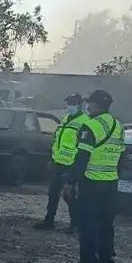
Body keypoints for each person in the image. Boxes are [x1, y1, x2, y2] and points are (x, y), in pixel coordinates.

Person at [63, 89, 125, 263]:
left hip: (92, 183)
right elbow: (122, 157)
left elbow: (82, 157)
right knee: (107, 225)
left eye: (90, 103)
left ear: (96, 105)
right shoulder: (118, 126)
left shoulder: (90, 126)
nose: (88, 106)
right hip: (111, 183)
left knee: (88, 226)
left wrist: (70, 182)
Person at [34, 94, 88, 232]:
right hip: (58, 162)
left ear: (80, 105)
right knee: (53, 193)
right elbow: (57, 141)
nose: (69, 105)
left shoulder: (84, 122)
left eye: (72, 103)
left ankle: (75, 224)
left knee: (69, 195)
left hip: (72, 164)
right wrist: (52, 159)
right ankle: (49, 221)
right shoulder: (65, 119)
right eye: (68, 102)